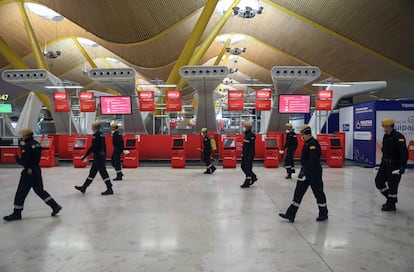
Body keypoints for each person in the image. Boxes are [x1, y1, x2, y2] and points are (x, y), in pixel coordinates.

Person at [3, 128, 62, 221]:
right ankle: (55, 206)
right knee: (40, 190)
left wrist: (18, 159)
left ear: (26, 136)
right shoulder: (37, 144)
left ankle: (16, 213)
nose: (22, 137)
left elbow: (25, 162)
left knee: (21, 192)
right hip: (37, 170)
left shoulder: (26, 146)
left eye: (23, 135)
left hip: (28, 171)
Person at [279, 124, 328, 222]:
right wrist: (303, 171)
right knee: (298, 192)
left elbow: (312, 160)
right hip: (305, 172)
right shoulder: (307, 143)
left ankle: (323, 213)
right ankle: (290, 214)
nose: (302, 136)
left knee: (318, 193)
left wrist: (304, 170)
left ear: (306, 134)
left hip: (314, 173)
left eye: (302, 134)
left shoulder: (313, 143)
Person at [375, 117, 408, 211]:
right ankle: (391, 200)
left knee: (393, 185)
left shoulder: (399, 137)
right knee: (379, 181)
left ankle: (391, 204)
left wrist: (402, 166)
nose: (382, 127)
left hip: (395, 165)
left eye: (384, 126)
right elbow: (384, 149)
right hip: (385, 163)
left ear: (389, 126)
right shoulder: (386, 136)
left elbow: (404, 153)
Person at [75, 122, 113, 195]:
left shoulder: (96, 135)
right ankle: (84, 187)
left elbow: (93, 147)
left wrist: (86, 155)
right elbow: (104, 146)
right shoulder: (102, 134)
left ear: (94, 127)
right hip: (100, 157)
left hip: (98, 157)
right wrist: (104, 156)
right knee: (92, 173)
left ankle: (109, 188)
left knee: (103, 173)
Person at [240, 121, 257, 188]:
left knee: (248, 167)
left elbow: (251, 147)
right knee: (243, 166)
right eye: (244, 126)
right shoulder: (246, 134)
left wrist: (251, 156)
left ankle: (247, 181)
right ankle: (253, 177)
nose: (244, 128)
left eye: (246, 127)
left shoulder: (252, 135)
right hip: (245, 154)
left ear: (249, 127)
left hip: (249, 155)